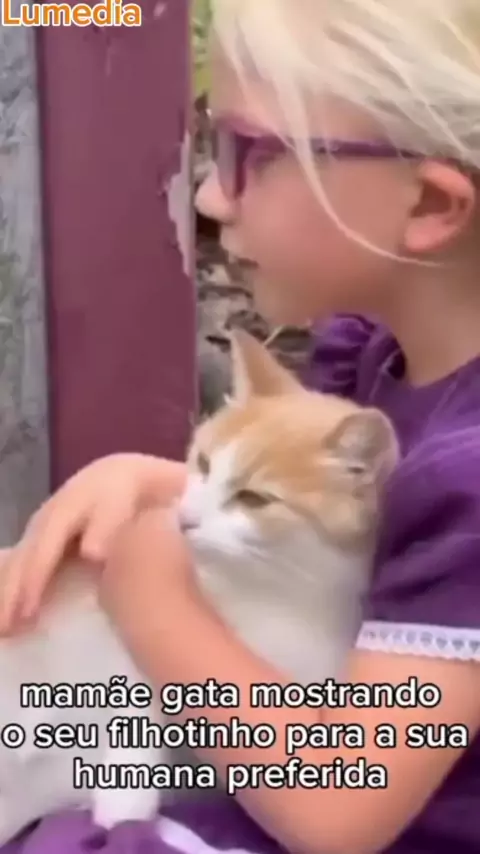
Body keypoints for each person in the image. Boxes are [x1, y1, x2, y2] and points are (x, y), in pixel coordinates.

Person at [2, 0, 480, 852]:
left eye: (247, 153)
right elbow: (315, 505)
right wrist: (149, 480)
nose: (210, 194)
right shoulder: (383, 361)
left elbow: (340, 807)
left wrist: (153, 601)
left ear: (431, 204)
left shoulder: (469, 480)